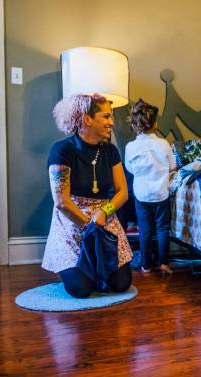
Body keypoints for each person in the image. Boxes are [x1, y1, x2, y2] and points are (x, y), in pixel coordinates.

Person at [42, 94, 133, 298]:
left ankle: (92, 269)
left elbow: (123, 193)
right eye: (106, 116)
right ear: (87, 119)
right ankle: (70, 270)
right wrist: (88, 225)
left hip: (104, 217)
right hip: (72, 219)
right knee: (82, 289)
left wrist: (104, 212)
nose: (111, 122)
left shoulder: (110, 151)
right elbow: (62, 202)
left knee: (121, 284)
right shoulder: (62, 150)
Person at [124, 99, 176, 274]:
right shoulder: (163, 144)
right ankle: (164, 264)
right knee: (163, 229)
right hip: (161, 193)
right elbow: (172, 166)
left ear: (134, 125)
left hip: (142, 196)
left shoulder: (130, 147)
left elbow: (129, 168)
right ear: (155, 123)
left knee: (144, 230)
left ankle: (146, 265)